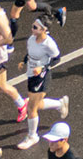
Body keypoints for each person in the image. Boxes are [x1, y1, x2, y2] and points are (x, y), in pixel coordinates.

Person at [14, 12, 70, 149]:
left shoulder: (49, 44)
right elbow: (30, 52)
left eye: (35, 27)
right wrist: (24, 61)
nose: (32, 29)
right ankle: (59, 104)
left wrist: (42, 67)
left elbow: (57, 58)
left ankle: (33, 136)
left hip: (42, 77)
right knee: (36, 105)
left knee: (31, 108)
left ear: (44, 29)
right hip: (31, 73)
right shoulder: (32, 39)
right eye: (33, 26)